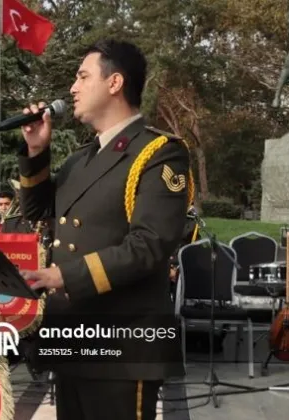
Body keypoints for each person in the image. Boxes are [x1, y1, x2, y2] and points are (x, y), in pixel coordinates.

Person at [17, 39, 190, 420]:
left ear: (115, 83)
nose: (73, 88)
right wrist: (36, 151)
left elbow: (149, 245)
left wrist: (63, 274)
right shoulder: (81, 159)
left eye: (82, 76)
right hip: (74, 334)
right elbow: (38, 209)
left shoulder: (159, 152)